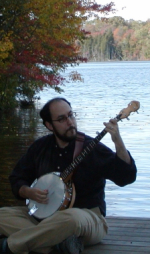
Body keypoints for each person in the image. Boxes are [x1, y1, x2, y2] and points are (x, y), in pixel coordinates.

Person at [0, 97, 137, 254]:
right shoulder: (40, 148)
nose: (70, 122)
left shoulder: (91, 147)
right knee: (2, 215)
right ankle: (57, 243)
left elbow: (126, 177)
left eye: (71, 115)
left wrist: (118, 142)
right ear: (49, 125)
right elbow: (17, 178)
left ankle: (11, 246)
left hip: (87, 218)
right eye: (62, 119)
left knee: (70, 219)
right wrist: (27, 191)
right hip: (43, 218)